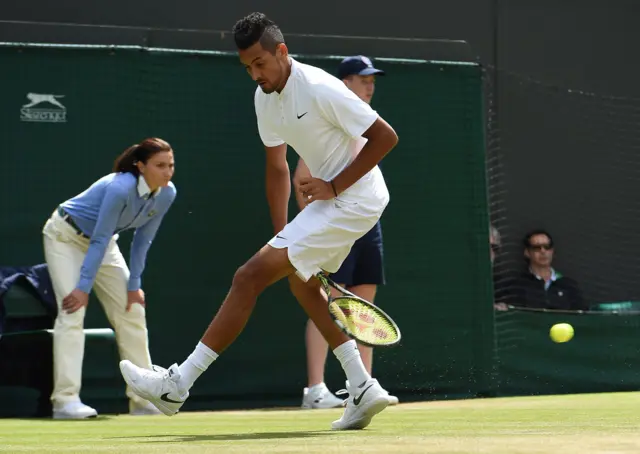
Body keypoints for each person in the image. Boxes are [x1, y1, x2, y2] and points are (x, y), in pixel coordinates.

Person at [119, 12, 399, 431]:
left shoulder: (322, 88)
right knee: (300, 282)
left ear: (281, 52)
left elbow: (386, 137)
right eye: (247, 66)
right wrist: (281, 233)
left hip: (356, 198)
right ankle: (362, 387)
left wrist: (335, 186)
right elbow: (276, 168)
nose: (255, 73)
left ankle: (177, 384)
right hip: (335, 203)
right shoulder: (264, 98)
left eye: (260, 63)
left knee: (247, 277)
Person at [43, 137, 177, 419]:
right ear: (140, 166)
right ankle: (65, 401)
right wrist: (82, 288)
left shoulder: (167, 193)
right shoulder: (120, 187)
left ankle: (142, 400)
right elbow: (100, 237)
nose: (168, 172)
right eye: (160, 165)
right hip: (65, 237)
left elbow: (143, 240)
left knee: (133, 310)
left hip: (104, 246)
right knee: (72, 313)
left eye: (171, 165)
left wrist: (134, 286)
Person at [293, 55, 398, 409]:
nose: (370, 85)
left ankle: (363, 388)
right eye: (362, 79)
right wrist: (311, 231)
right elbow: (301, 178)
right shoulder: (328, 114)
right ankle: (316, 389)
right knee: (327, 305)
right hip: (333, 223)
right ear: (344, 83)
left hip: (366, 222)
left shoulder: (364, 120)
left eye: (372, 80)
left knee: (362, 306)